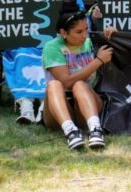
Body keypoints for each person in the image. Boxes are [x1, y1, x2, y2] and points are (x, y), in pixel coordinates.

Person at [0, 0, 84, 125]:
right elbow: (4, 16)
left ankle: (46, 103)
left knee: (52, 53)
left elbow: (81, 19)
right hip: (25, 41)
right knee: (21, 52)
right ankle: (25, 104)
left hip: (56, 42)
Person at [42, 10, 112, 151]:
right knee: (54, 84)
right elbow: (67, 82)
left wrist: (114, 33)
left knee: (80, 85)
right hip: (59, 107)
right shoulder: (52, 47)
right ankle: (71, 132)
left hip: (87, 102)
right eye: (78, 32)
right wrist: (97, 61)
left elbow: (115, 41)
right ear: (63, 32)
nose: (84, 35)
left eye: (86, 29)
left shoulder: (90, 41)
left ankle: (95, 130)